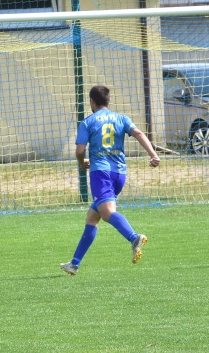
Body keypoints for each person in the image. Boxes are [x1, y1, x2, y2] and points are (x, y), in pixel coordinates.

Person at [61, 84, 160, 276]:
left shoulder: (88, 122)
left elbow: (80, 150)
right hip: (119, 174)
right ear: (108, 100)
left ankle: (133, 238)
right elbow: (139, 133)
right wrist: (152, 154)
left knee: (107, 213)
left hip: (101, 173)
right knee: (93, 217)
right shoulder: (121, 118)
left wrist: (83, 163)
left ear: (91, 101)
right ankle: (74, 263)